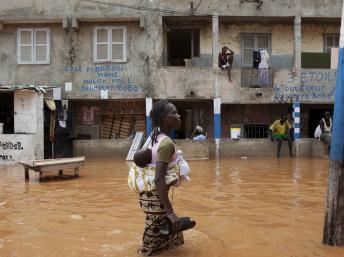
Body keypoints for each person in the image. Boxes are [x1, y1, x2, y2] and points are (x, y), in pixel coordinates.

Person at [131, 100, 194, 256]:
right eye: (174, 113)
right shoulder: (166, 143)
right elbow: (159, 179)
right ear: (163, 118)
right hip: (156, 198)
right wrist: (170, 213)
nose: (179, 116)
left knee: (175, 238)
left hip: (150, 196)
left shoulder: (154, 136)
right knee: (149, 247)